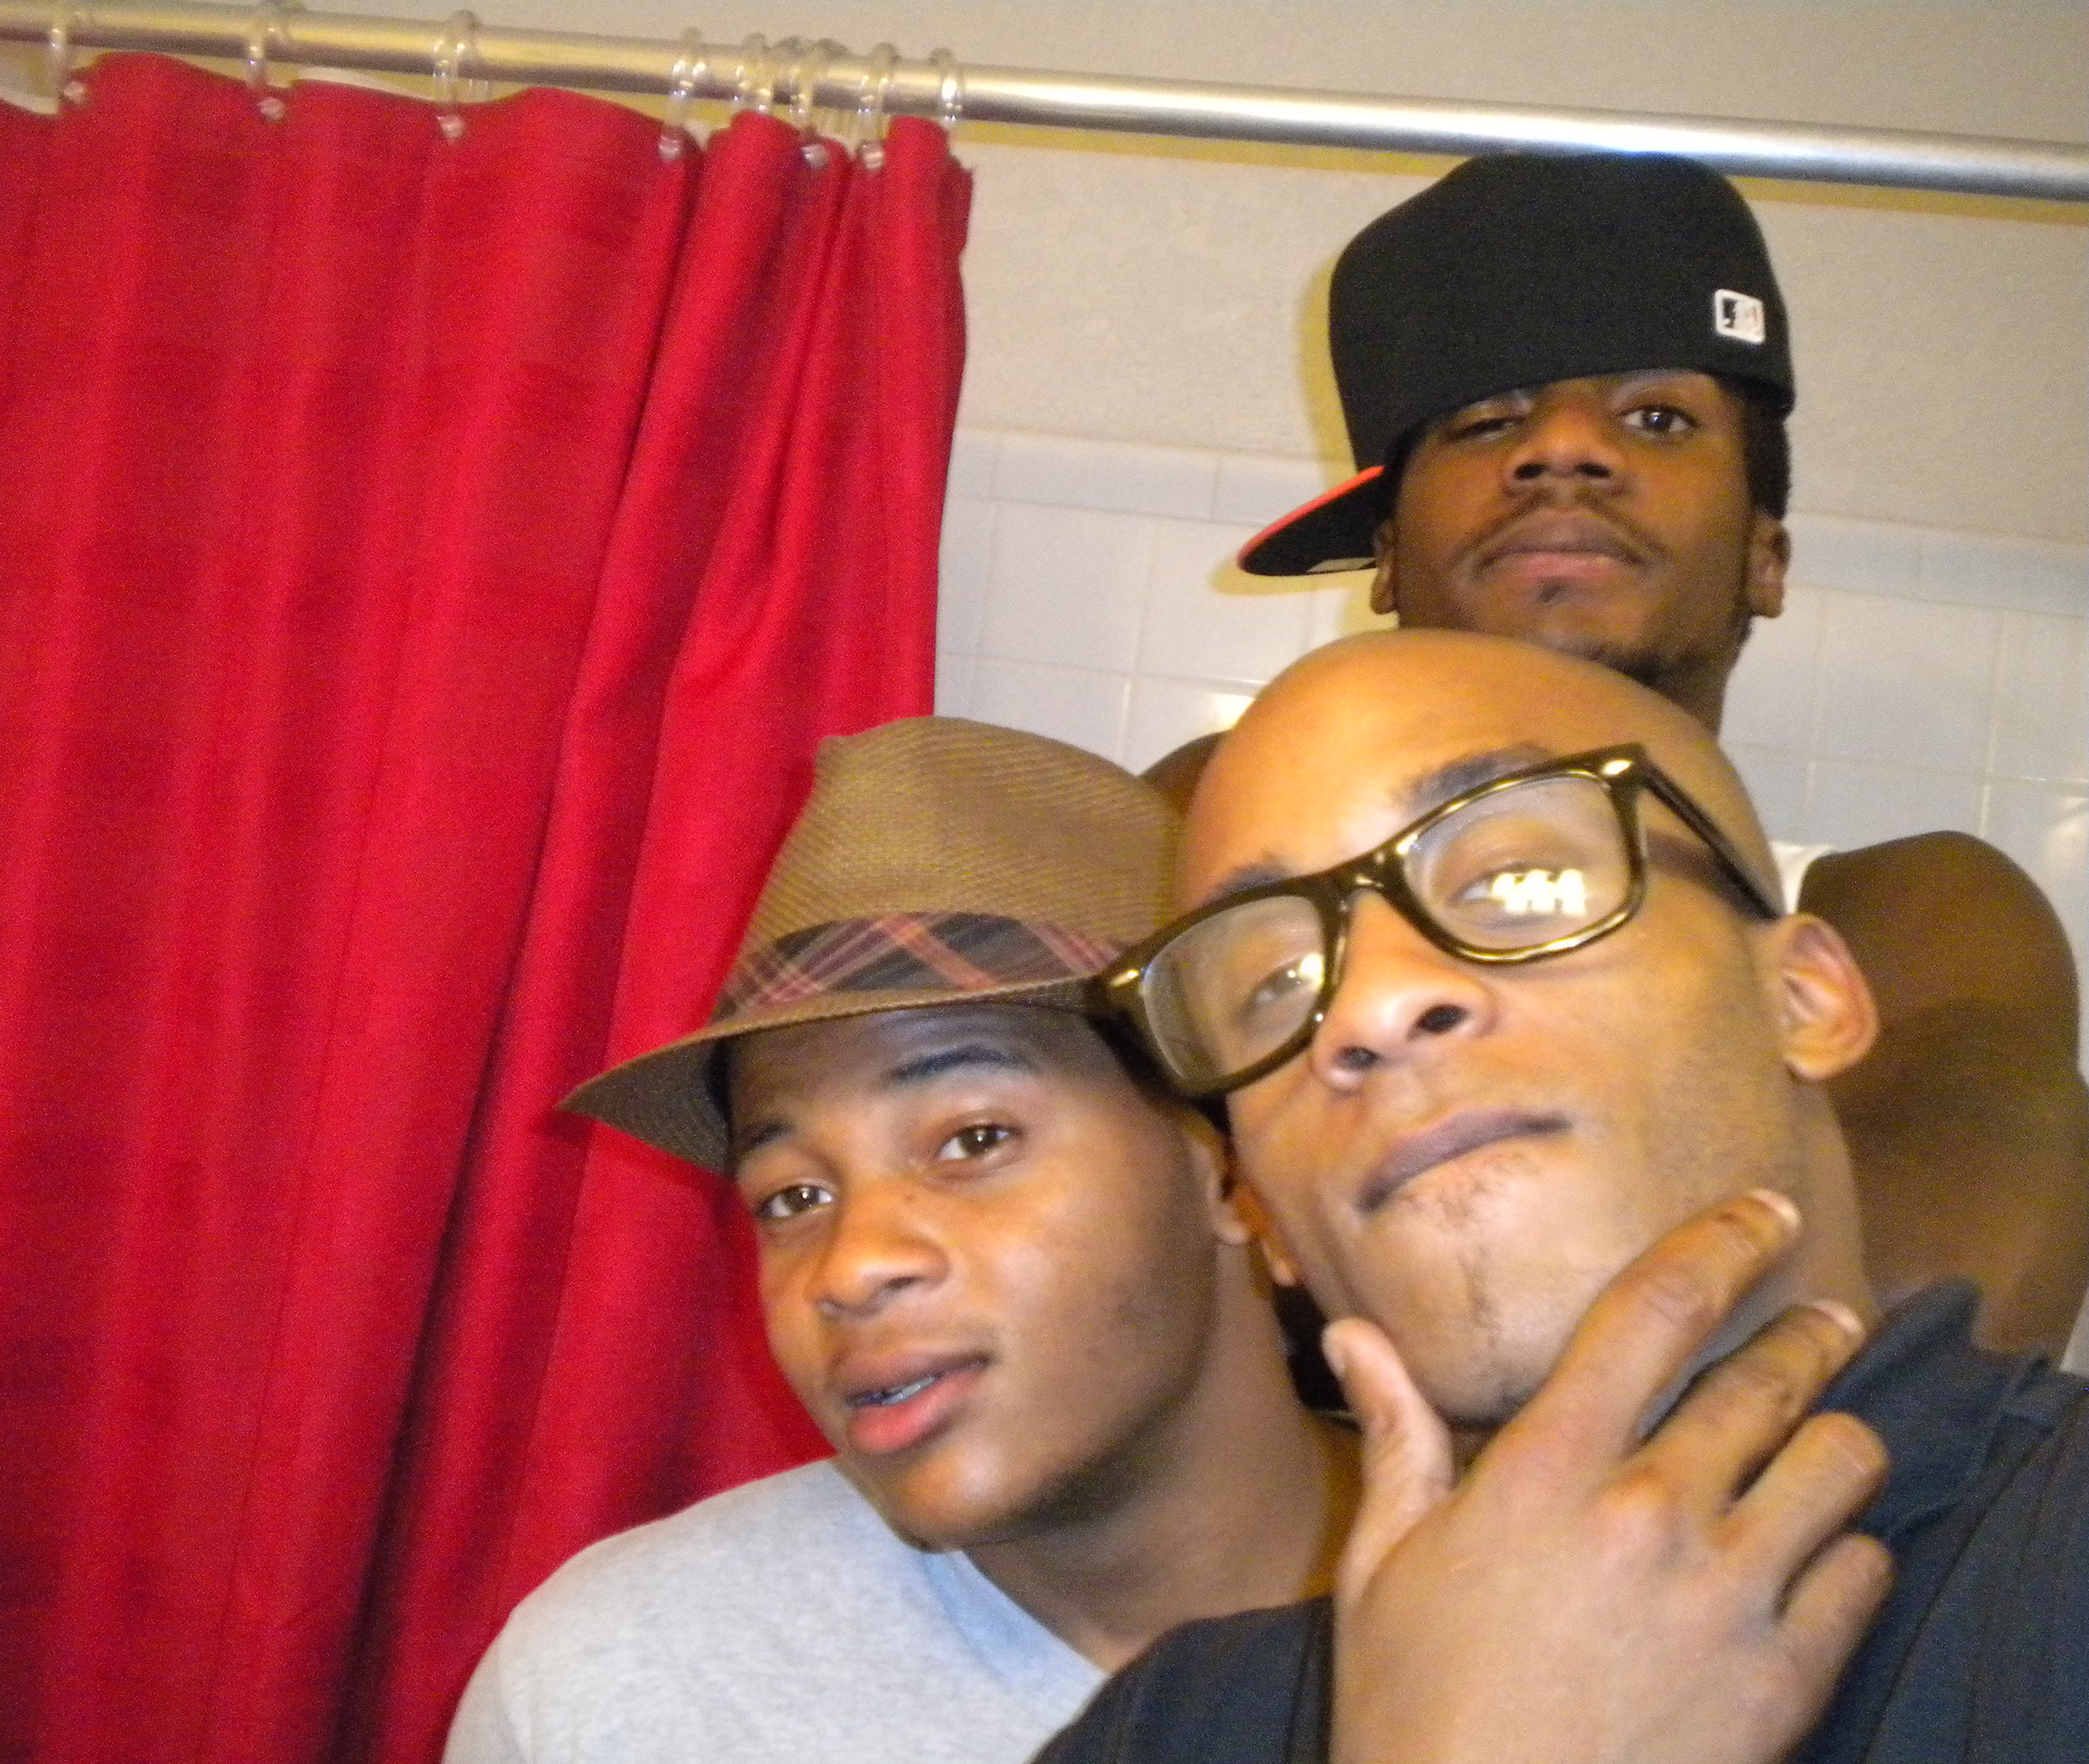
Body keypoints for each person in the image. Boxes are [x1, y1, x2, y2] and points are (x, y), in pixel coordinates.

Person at [1050, 629, 2088, 1763]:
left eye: (1518, 881)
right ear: (1264, 1214)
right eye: (1276, 983)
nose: (1369, 1007)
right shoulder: (1166, 1730)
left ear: (1804, 999)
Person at [1151, 150, 2086, 1359]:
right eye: (1488, 423)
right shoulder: (1206, 835)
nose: (1563, 452)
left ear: (1766, 557)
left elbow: (1919, 1348)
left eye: (1658, 418)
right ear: (1385, 562)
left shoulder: (1914, 919)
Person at [442, 716, 1355, 1764]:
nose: (852, 1266)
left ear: (1230, 1167)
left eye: (973, 1140)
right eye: (792, 1196)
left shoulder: (1503, 1609)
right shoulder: (612, 1688)